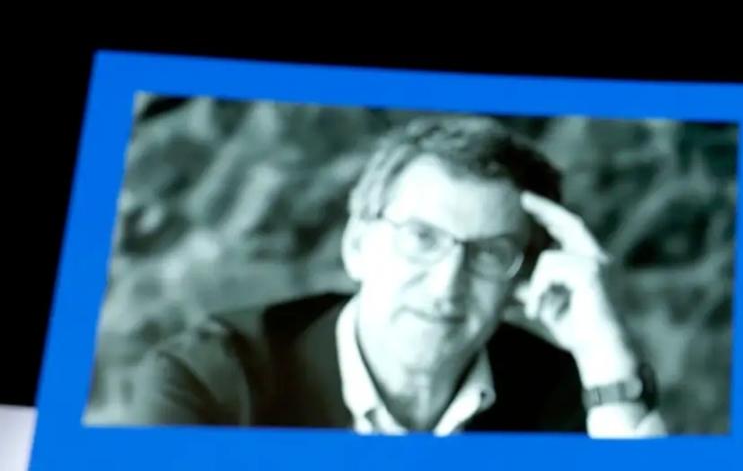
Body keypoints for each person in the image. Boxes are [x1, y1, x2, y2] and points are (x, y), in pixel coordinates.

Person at [122, 116, 667, 436]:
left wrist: (604, 355)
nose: (447, 283)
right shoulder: (210, 380)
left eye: (490, 252)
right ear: (358, 247)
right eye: (422, 239)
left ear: (521, 278)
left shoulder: (565, 392)